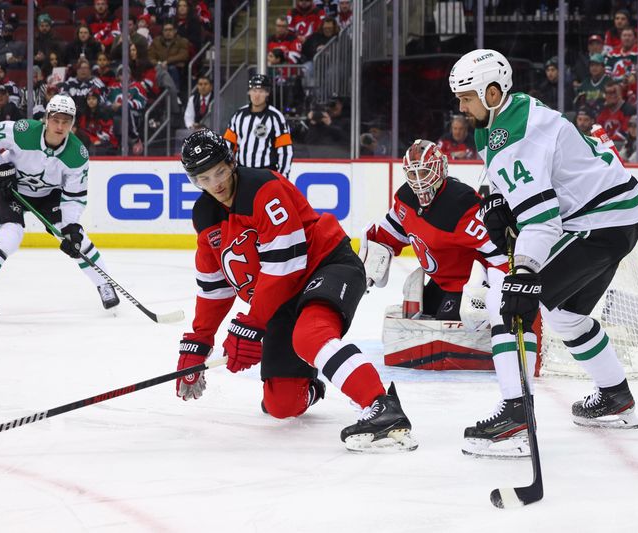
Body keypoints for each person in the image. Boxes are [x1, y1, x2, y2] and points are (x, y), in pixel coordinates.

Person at [176, 129, 417, 452]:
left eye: (219, 171)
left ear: (231, 162)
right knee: (281, 406)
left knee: (310, 334)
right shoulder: (204, 216)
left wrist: (252, 324)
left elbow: (286, 262)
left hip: (327, 266)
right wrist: (198, 342)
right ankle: (311, 384)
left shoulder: (263, 188)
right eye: (204, 178)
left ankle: (381, 405)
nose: (215, 183)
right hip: (279, 298)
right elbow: (214, 285)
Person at [450, 49, 638, 428]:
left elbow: (542, 222)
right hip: (610, 219)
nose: (461, 107)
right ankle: (615, 395)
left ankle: (516, 414)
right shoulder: (511, 110)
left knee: (508, 302)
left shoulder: (515, 136)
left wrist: (525, 272)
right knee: (566, 314)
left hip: (597, 223)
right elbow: (512, 169)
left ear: (492, 93)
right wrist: (496, 194)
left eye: (466, 97)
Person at [361, 139, 528, 456]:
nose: (419, 181)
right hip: (437, 281)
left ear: (440, 170)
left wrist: (490, 293)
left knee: (441, 329)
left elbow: (497, 254)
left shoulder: (461, 204)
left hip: (464, 287)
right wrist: (369, 261)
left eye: (425, 172)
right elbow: (388, 233)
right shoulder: (406, 198)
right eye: (413, 173)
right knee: (419, 316)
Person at [0, 95, 120, 315]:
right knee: (10, 235)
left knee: (75, 238)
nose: (60, 126)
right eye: (55, 120)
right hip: (9, 189)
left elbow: (73, 195)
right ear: (46, 119)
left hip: (47, 195)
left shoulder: (77, 155)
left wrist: (71, 226)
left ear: (73, 124)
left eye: (66, 121)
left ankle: (104, 283)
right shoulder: (23, 131)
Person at [224, 75, 293, 177]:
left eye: (261, 91)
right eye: (254, 90)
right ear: (249, 92)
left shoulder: (276, 117)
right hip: (242, 171)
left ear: (267, 93)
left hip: (266, 172)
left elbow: (285, 150)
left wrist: (283, 176)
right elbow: (228, 145)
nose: (257, 95)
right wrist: (228, 170)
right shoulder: (238, 115)